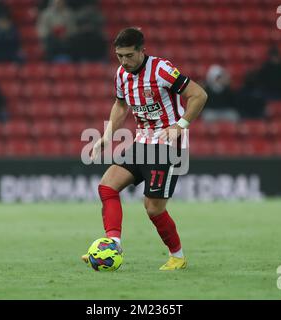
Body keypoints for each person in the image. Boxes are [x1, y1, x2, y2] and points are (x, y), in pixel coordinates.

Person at [81, 28, 208, 270]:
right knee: (107, 186)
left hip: (167, 146)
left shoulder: (161, 70)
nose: (124, 61)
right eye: (119, 56)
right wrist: (108, 135)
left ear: (142, 51)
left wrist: (180, 125)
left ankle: (178, 257)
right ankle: (112, 245)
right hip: (142, 142)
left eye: (129, 55)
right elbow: (120, 106)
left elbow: (199, 95)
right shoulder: (121, 74)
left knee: (153, 208)